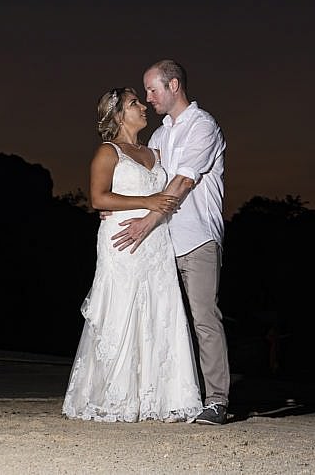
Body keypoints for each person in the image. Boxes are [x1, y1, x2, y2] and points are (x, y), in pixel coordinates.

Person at [62, 88, 203, 423]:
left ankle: (158, 396)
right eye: (134, 103)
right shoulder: (108, 152)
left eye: (141, 101)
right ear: (118, 116)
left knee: (158, 309)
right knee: (122, 309)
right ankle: (113, 396)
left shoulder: (156, 151)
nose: (143, 106)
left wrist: (158, 205)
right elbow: (98, 199)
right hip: (122, 240)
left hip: (157, 241)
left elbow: (177, 187)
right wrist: (148, 201)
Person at [110, 59, 231, 426]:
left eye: (152, 90)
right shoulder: (160, 135)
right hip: (162, 243)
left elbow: (182, 182)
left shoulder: (203, 126)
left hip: (197, 238)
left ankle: (217, 401)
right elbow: (146, 182)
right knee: (166, 322)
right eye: (145, 92)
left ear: (173, 85)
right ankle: (173, 397)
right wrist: (112, 208)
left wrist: (147, 221)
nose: (148, 98)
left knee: (203, 318)